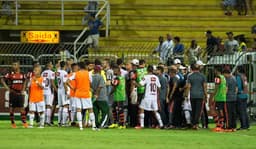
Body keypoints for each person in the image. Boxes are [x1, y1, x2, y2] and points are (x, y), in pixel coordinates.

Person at [68, 61, 98, 131]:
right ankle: (93, 126)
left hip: (77, 93)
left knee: (78, 109)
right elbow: (90, 82)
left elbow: (67, 81)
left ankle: (81, 127)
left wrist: (73, 88)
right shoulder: (88, 74)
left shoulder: (76, 74)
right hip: (86, 93)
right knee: (90, 109)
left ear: (79, 66)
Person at [0, 61, 28, 128]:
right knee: (11, 108)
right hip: (13, 93)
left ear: (18, 66)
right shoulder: (10, 74)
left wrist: (23, 89)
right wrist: (7, 88)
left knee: (22, 108)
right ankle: (13, 123)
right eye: (12, 65)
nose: (13, 66)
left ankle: (24, 122)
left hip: (20, 93)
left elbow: (25, 81)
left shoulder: (22, 73)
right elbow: (2, 79)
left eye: (15, 65)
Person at [185, 64, 207, 130]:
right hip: (200, 95)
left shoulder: (190, 76)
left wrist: (186, 95)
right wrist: (206, 95)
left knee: (194, 110)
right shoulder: (203, 76)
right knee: (199, 111)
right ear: (199, 69)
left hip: (192, 95)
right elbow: (204, 86)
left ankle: (193, 124)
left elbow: (188, 86)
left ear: (192, 68)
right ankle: (196, 124)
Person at [109, 65, 127, 129]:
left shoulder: (117, 78)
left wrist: (110, 93)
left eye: (114, 70)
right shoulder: (122, 78)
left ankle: (122, 124)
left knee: (120, 110)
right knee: (114, 108)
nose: (113, 71)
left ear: (118, 71)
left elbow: (114, 86)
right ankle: (115, 123)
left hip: (119, 96)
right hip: (120, 96)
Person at [210, 66, 227, 132]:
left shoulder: (217, 77)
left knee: (214, 111)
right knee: (221, 111)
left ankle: (219, 125)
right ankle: (222, 124)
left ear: (216, 70)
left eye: (214, 70)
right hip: (223, 97)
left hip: (218, 97)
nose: (214, 72)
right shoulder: (224, 78)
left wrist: (213, 96)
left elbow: (216, 88)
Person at [41, 61, 57, 126]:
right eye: (51, 64)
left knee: (44, 106)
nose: (52, 65)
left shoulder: (43, 73)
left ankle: (43, 121)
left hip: (43, 91)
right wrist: (56, 90)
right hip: (49, 91)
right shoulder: (52, 73)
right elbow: (52, 82)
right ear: (49, 66)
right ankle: (48, 121)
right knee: (49, 106)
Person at [223, 67, 237, 131]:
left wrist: (223, 96)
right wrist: (234, 94)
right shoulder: (234, 78)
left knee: (228, 113)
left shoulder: (227, 79)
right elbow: (236, 88)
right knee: (233, 112)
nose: (224, 76)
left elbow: (226, 89)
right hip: (234, 98)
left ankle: (229, 126)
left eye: (224, 74)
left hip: (228, 98)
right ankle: (234, 126)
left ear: (226, 73)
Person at [56, 61, 69, 126]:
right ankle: (64, 122)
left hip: (59, 89)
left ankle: (59, 122)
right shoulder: (64, 72)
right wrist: (67, 92)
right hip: (63, 89)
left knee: (60, 106)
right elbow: (64, 83)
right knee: (65, 105)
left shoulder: (58, 71)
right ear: (65, 66)